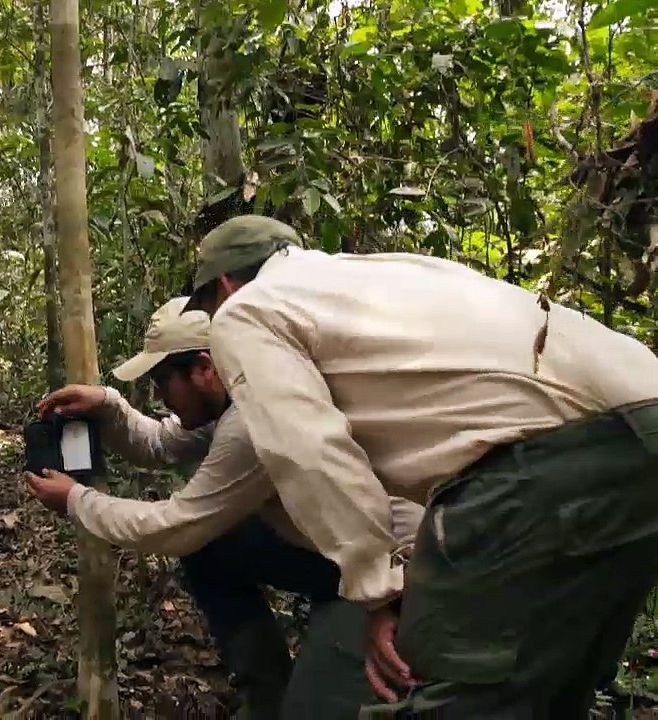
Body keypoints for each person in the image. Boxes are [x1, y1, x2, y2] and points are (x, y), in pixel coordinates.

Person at [182, 214, 658, 717]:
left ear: (227, 284)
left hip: (545, 464)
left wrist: (376, 588)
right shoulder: (386, 273)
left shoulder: (246, 312)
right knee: (549, 689)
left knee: (444, 681)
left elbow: (309, 452)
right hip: (639, 428)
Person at [23, 297, 425, 719]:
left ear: (203, 369)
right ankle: (267, 693)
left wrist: (75, 499)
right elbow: (160, 442)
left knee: (312, 710)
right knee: (213, 549)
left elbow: (175, 527)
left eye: (163, 381)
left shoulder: (252, 421)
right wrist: (107, 404)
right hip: (335, 553)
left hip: (387, 572)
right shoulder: (234, 393)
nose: (160, 396)